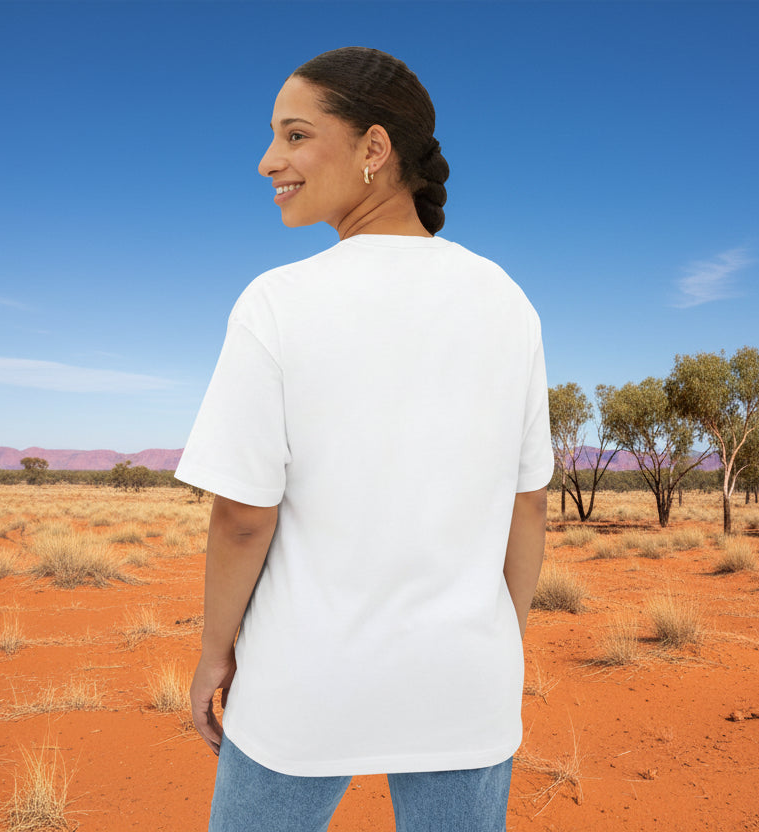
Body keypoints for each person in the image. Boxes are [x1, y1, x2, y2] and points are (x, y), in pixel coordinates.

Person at [174, 47, 553, 832]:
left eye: (295, 135)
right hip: (465, 687)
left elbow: (245, 516)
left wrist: (215, 651)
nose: (267, 160)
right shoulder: (507, 302)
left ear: (374, 149)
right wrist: (494, 649)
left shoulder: (278, 303)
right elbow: (528, 505)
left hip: (302, 689)